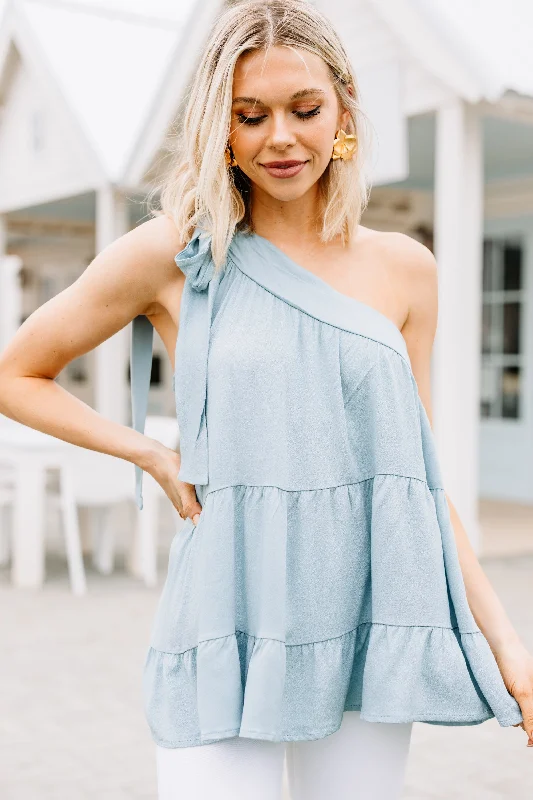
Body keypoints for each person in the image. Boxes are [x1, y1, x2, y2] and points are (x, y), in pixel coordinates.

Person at [0, 1, 532, 798]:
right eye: (250, 116)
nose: (279, 137)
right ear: (221, 125)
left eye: (304, 109)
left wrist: (506, 641)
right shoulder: (175, 253)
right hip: (223, 615)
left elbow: (414, 482)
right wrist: (147, 451)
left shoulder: (404, 268)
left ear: (344, 109)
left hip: (362, 612)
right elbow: (17, 373)